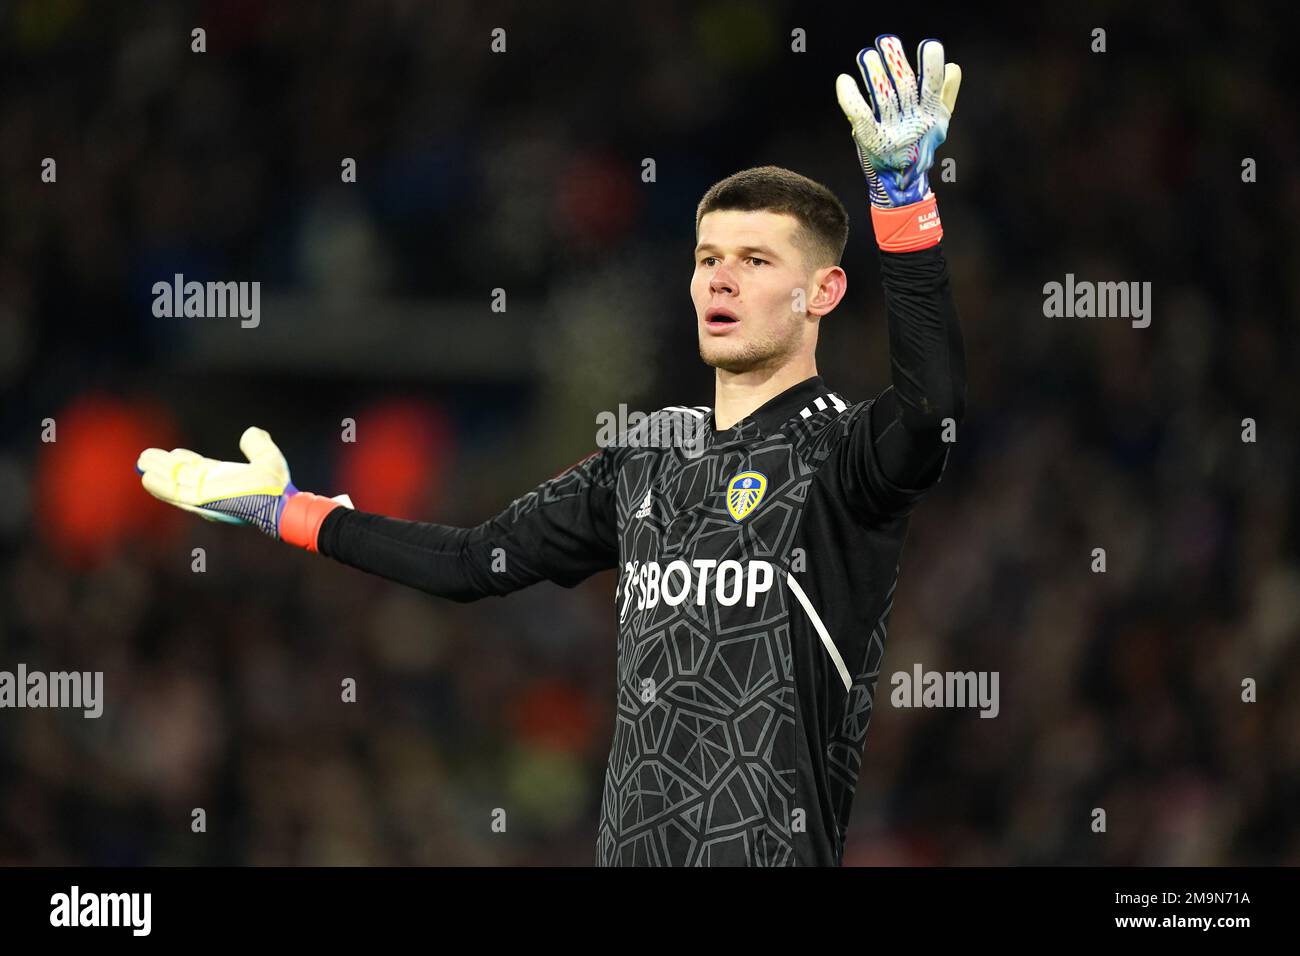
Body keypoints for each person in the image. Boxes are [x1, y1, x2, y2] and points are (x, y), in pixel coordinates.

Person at [137, 35, 966, 866]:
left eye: (755, 261)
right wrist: (288, 513)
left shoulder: (845, 453)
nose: (721, 280)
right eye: (708, 258)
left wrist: (902, 204)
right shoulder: (647, 455)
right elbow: (472, 562)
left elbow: (930, 411)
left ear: (822, 290)